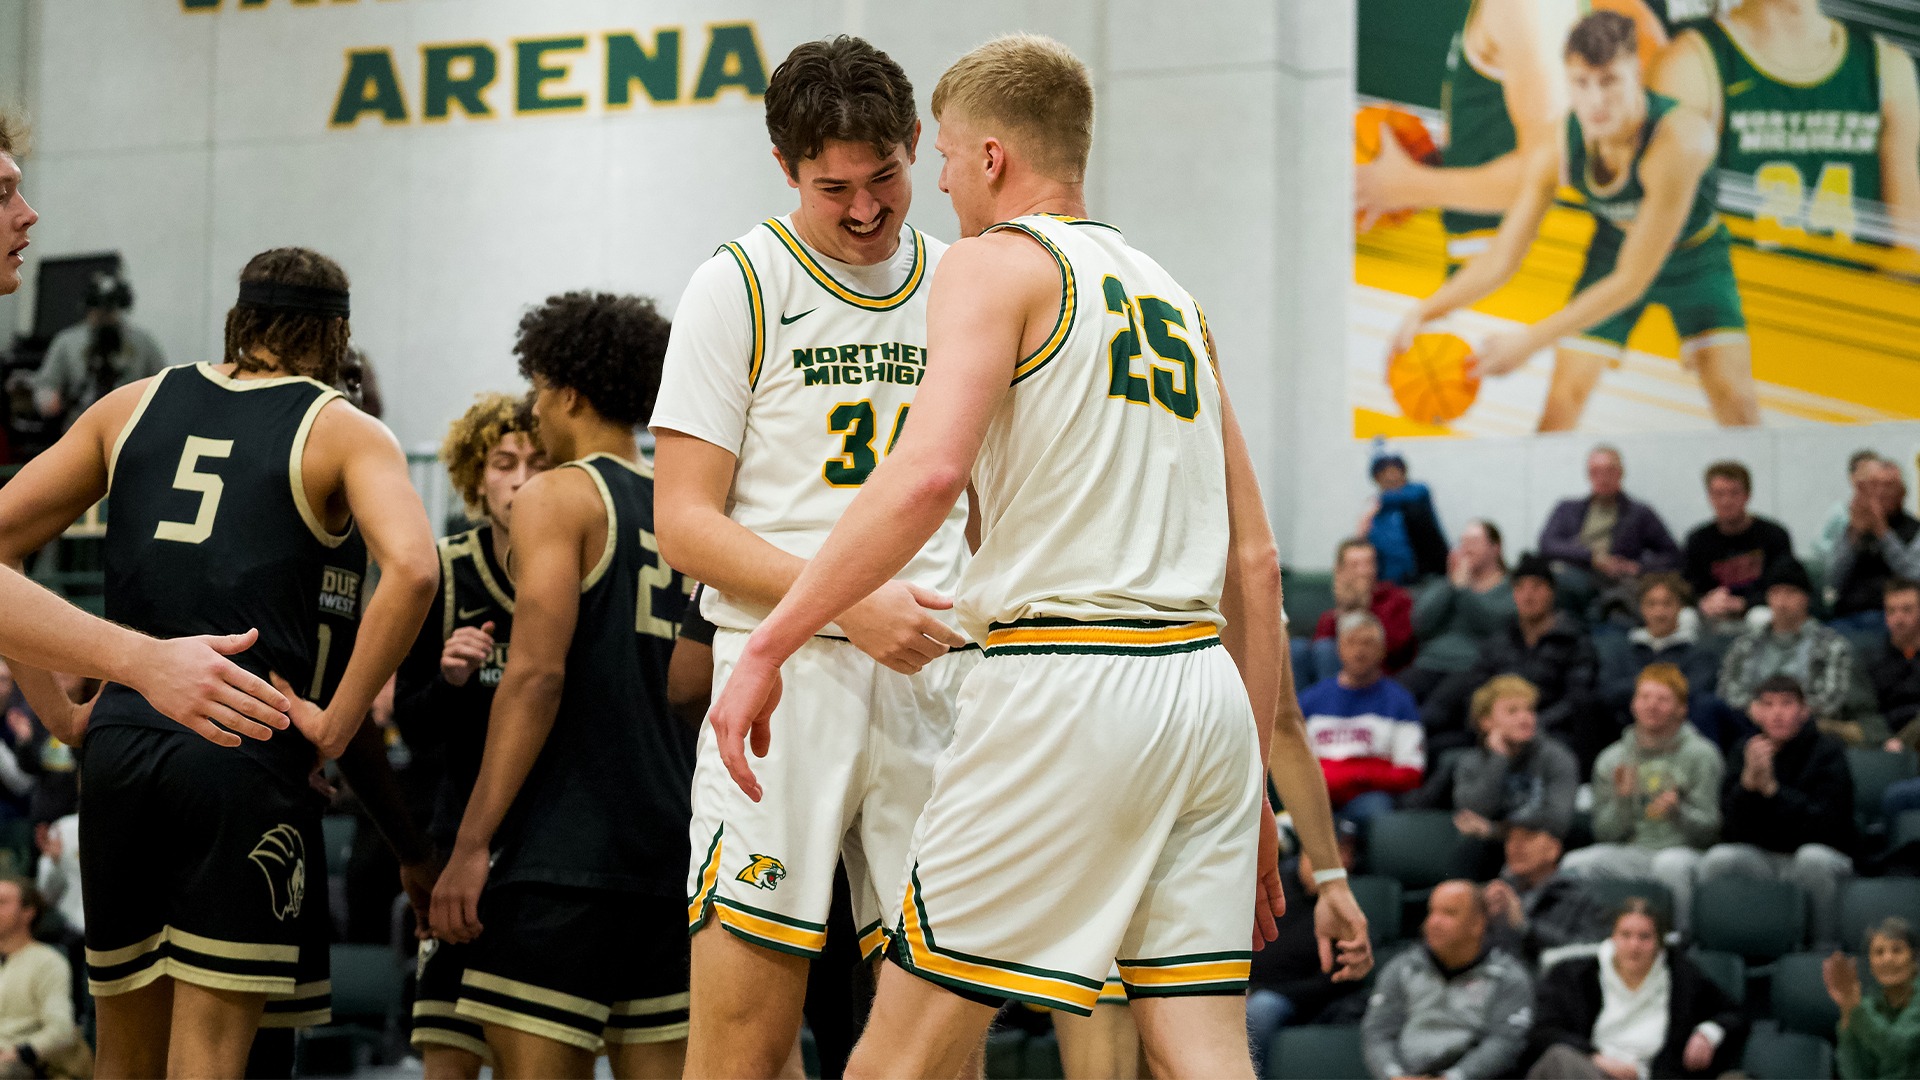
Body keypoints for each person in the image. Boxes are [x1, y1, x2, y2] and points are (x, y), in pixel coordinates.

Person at [699, 33, 1371, 1077]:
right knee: (1202, 1052)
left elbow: (923, 481)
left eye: (946, 163)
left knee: (897, 1056)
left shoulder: (990, 263)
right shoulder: (1175, 297)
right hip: (1199, 696)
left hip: (1067, 680)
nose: (942, 190)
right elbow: (1260, 567)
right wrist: (1247, 785)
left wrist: (767, 643)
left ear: (992, 157)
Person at [0, 247, 438, 1077]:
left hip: (122, 748)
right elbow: (415, 569)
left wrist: (62, 719)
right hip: (240, 738)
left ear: (237, 322)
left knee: (123, 1054)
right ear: (337, 334)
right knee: (209, 1056)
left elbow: (2, 541)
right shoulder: (340, 426)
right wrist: (334, 724)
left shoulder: (129, 405)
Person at [647, 37, 976, 1079]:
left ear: (917, 142)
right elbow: (686, 525)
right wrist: (847, 604)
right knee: (742, 1047)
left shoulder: (969, 286)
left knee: (937, 1053)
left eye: (886, 177)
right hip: (783, 682)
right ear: (787, 168)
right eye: (836, 187)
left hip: (939, 683)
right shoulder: (737, 284)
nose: (868, 209)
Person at [428, 293, 693, 1078]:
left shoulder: (559, 496)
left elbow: (536, 677)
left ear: (570, 394)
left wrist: (472, 843)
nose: (535, 408)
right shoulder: (688, 510)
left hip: (563, 856)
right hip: (669, 847)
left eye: (539, 388)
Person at [0, 111, 297, 745]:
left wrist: (64, 712)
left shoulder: (145, 370)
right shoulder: (100, 382)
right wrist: (145, 660)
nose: (28, 213)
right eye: (2, 193)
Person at [1390, 12, 1759, 432]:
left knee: (1734, 398)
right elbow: (1504, 257)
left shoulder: (1679, 141)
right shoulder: (1558, 145)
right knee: (1563, 401)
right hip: (1615, 249)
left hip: (1695, 258)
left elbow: (1633, 280)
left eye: (1609, 82)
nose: (1596, 101)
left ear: (1637, 73)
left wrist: (1529, 342)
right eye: (1582, 84)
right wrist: (1423, 312)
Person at [395, 392, 545, 1078]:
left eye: (536, 462)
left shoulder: (581, 570)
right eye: (504, 462)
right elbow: (412, 723)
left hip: (548, 847)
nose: (519, 476)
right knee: (447, 1056)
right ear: (474, 476)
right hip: (460, 838)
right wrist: (452, 680)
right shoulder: (445, 569)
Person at [1651, 0, 1920, 252]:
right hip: (1745, 298)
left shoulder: (1887, 68)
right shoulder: (1690, 67)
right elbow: (1666, 248)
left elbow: (1908, 251)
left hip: (1854, 297)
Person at [1353, 0, 1579, 259]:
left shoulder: (1517, 9)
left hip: (1506, 269)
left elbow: (1544, 170)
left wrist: (1407, 185)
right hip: (1483, 263)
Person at [1561, 665, 1724, 934]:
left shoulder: (1702, 755)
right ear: (1634, 705)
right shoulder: (1612, 759)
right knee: (1575, 865)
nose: (1652, 706)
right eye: (1645, 698)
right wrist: (1623, 800)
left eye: (1662, 699)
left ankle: (1680, 939)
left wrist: (1677, 810)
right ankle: (1583, 937)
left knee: (1670, 864)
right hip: (1635, 853)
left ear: (1681, 709)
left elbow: (1711, 831)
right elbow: (1605, 835)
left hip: (1687, 854)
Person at [1700, 674, 1856, 946]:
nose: (1777, 713)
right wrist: (1747, 788)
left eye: (1786, 704)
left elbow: (1829, 826)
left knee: (1813, 859)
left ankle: (1824, 948)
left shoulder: (1827, 751)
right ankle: (1720, 946)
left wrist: (1773, 792)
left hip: (1820, 856)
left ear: (1804, 711)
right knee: (1720, 859)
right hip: (1765, 858)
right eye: (1768, 705)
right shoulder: (1744, 751)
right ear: (1755, 712)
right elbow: (1729, 830)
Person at [1527, 898, 1746, 1079]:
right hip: (1594, 1071)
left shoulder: (1681, 976)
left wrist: (1707, 1033)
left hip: (1655, 1075)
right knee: (1558, 1059)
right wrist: (1595, 1057)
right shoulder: (1575, 975)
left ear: (1660, 943)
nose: (1634, 946)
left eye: (1644, 937)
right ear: (1613, 937)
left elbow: (1733, 1013)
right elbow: (1544, 1030)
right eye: (1625, 935)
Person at [1422, 553, 1600, 765]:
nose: (1528, 595)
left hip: (1549, 734)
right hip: (1496, 730)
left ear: (1552, 592)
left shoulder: (1574, 642)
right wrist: (1492, 725)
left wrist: (1525, 725)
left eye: (1536, 586)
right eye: (1520, 587)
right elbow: (1477, 690)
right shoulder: (1499, 641)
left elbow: (1576, 700)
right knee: (1437, 747)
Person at [1362, 881, 1535, 1080]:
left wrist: (1454, 1077)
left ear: (1477, 924)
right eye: (1432, 912)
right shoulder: (1402, 968)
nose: (1434, 922)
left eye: (1449, 913)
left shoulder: (1508, 977)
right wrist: (1394, 1075)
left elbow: (1504, 1042)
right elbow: (1378, 1033)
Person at [1246, 834, 1368, 1075]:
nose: (1334, 863)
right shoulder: (1271, 887)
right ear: (1301, 857)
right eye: (1317, 856)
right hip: (1242, 984)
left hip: (1288, 999)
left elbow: (1339, 980)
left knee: (1261, 1010)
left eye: (1344, 855)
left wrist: (1266, 991)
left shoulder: (1349, 911)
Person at [1409, 674, 1580, 841]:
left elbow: (1557, 822)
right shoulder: (1469, 762)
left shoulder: (1557, 757)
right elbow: (1473, 812)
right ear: (1486, 721)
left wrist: (1494, 831)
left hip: (1536, 852)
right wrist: (1498, 759)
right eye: (1512, 711)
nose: (1525, 718)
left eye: (1529, 710)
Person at [1299, 611, 1425, 827]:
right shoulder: (1311, 700)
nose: (1359, 651)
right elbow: (1294, 761)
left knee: (1376, 811)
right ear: (1339, 649)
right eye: (1352, 643)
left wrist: (1355, 777)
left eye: (1368, 643)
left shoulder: (1399, 702)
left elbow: (1411, 772)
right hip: (1316, 794)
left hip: (1368, 797)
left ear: (1382, 650)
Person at [1717, 557, 1860, 733]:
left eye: (1791, 592)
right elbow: (1726, 692)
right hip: (1750, 727)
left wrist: (1790, 714)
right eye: (1776, 593)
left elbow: (1833, 699)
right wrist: (1754, 709)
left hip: (1809, 731)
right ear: (1767, 598)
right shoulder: (1745, 644)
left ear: (1806, 598)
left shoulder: (1832, 645)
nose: (1782, 602)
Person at [1536, 447, 1683, 606]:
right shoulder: (1567, 508)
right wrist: (1592, 558)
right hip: (1574, 574)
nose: (1602, 477)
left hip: (1616, 584)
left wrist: (1637, 567)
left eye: (1609, 471)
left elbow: (1673, 555)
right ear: (1588, 475)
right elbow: (1547, 544)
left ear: (1620, 473)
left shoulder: (1639, 513)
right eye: (1595, 471)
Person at [31, 270, 167, 430]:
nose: (104, 315)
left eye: (110, 310)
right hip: (80, 426)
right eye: (99, 309)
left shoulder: (142, 343)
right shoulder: (68, 342)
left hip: (129, 428)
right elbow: (47, 383)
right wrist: (48, 398)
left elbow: (164, 385)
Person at [1596, 574, 1724, 740]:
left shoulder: (1700, 653)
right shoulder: (1624, 650)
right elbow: (1609, 691)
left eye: (1667, 603)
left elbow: (1691, 693)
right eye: (1651, 604)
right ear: (1641, 607)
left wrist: (1642, 690)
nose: (1659, 612)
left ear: (1680, 607)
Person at [1405, 518, 1514, 702]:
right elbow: (1420, 623)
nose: (1467, 549)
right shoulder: (1445, 584)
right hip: (1430, 661)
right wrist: (1450, 585)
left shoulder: (1509, 588)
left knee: (1432, 714)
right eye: (1463, 543)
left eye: (1474, 543)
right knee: (1391, 702)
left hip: (1471, 666)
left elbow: (1494, 624)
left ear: (1495, 548)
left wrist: (1463, 591)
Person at [1484, 824, 1612, 969]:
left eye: (1528, 837)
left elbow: (1587, 953)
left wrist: (1525, 927)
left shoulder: (1581, 896)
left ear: (1553, 849)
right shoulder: (1499, 892)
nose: (1515, 846)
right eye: (1510, 839)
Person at [1682, 460, 1794, 625]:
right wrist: (1704, 601)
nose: (1726, 501)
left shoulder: (1774, 535)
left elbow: (1783, 583)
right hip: (1713, 609)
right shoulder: (1697, 539)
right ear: (1710, 497)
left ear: (1747, 495)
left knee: (1761, 617)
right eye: (1719, 494)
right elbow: (1688, 586)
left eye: (1734, 493)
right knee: (1684, 617)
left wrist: (1745, 603)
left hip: (1756, 608)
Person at [0, 878, 85, 1080]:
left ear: (28, 912)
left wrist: (21, 1052)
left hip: (18, 1060)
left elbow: (61, 1029)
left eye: (2, 902)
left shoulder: (48, 962)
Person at [1304, 538, 1416, 684]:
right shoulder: (1334, 608)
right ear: (1340, 570)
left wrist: (1362, 608)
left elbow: (1394, 648)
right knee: (1298, 649)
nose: (1364, 571)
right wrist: (1343, 610)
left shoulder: (1396, 599)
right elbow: (1319, 641)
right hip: (1338, 667)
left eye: (1369, 564)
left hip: (1380, 673)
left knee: (1325, 649)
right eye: (1355, 565)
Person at [1827, 458, 1920, 628]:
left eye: (1888, 485)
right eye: (1875, 485)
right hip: (1849, 615)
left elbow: (1914, 576)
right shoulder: (1851, 528)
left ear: (1903, 492)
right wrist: (1854, 535)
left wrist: (1883, 533)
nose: (1881, 492)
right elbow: (1832, 580)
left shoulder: (1915, 530)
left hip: (1897, 620)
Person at [1826, 916, 1920, 1079]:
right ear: (1870, 964)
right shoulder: (1865, 1006)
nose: (1887, 959)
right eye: (1879, 952)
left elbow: (1898, 1049)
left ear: (1914, 959)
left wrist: (1855, 1010)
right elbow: (1854, 1075)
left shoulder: (1861, 1011)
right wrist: (1847, 1012)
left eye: (1897, 950)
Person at [1361, 448, 1448, 586]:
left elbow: (1417, 493)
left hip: (1425, 577)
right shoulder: (1377, 516)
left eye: (1395, 471)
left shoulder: (1417, 495)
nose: (1391, 477)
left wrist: (1379, 501)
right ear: (1377, 479)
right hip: (1390, 581)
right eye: (1384, 474)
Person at [1871, 578, 1920, 746]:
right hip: (1883, 735)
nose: (1898, 619)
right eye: (1891, 611)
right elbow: (1866, 710)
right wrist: (1884, 738)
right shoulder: (1872, 657)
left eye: (1907, 610)